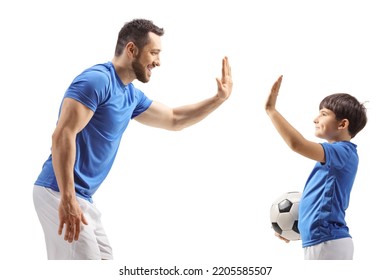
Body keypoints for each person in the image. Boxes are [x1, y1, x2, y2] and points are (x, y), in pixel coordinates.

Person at [33, 18, 233, 260]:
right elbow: (63, 135)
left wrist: (218, 100)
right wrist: (67, 198)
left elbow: (173, 118)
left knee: (105, 259)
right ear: (131, 50)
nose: (158, 62)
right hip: (57, 191)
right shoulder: (97, 81)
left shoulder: (130, 95)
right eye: (154, 53)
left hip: (82, 196)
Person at [265, 75, 367, 260]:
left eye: (323, 114)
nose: (315, 119)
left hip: (327, 243)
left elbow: (297, 144)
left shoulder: (342, 152)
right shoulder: (339, 156)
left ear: (342, 124)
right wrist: (296, 229)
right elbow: (323, 204)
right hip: (324, 242)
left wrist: (271, 110)